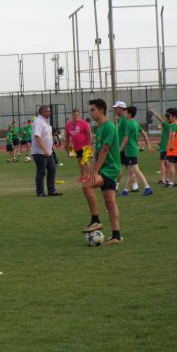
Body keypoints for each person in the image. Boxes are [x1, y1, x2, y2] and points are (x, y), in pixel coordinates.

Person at [81, 99, 123, 245]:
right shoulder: (99, 130)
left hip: (110, 168)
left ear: (101, 110)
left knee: (87, 186)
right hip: (105, 168)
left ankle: (95, 220)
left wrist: (96, 170)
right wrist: (93, 168)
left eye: (93, 110)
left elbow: (106, 149)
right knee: (110, 201)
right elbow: (98, 153)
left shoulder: (109, 127)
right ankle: (116, 236)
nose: (90, 112)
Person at [119, 106, 154, 196]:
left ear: (129, 113)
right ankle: (125, 191)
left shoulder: (129, 123)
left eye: (126, 112)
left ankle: (147, 187)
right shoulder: (135, 123)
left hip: (130, 150)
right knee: (131, 171)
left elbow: (126, 138)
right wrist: (148, 145)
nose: (125, 113)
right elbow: (144, 134)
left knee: (135, 170)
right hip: (134, 149)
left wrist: (120, 150)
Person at [31, 105, 62, 197]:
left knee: (52, 169)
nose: (49, 113)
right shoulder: (38, 122)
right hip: (40, 152)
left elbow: (47, 136)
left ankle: (51, 191)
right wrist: (44, 150)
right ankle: (40, 192)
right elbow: (37, 137)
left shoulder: (45, 122)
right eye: (47, 111)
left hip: (48, 151)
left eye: (49, 111)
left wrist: (54, 143)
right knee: (41, 172)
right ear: (42, 112)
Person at [112, 101, 138, 193]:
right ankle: (135, 186)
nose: (114, 110)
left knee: (119, 168)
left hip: (123, 148)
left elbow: (126, 135)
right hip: (124, 148)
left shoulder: (124, 120)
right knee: (130, 168)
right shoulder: (123, 119)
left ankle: (115, 188)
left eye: (116, 108)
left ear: (121, 108)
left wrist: (120, 148)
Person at [64, 108, 93, 180]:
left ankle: (88, 176)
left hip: (85, 146)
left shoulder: (84, 124)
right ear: (72, 115)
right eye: (73, 115)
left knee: (85, 161)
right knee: (79, 161)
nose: (75, 116)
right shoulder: (68, 125)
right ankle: (82, 176)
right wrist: (66, 144)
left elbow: (89, 134)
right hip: (76, 147)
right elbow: (67, 136)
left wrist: (89, 144)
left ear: (79, 115)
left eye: (76, 115)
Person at [148, 105, 172, 185]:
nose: (164, 118)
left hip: (165, 148)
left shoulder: (167, 125)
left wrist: (153, 111)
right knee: (165, 163)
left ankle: (163, 180)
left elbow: (160, 119)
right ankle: (167, 179)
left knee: (161, 163)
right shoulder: (169, 125)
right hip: (164, 147)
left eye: (165, 117)